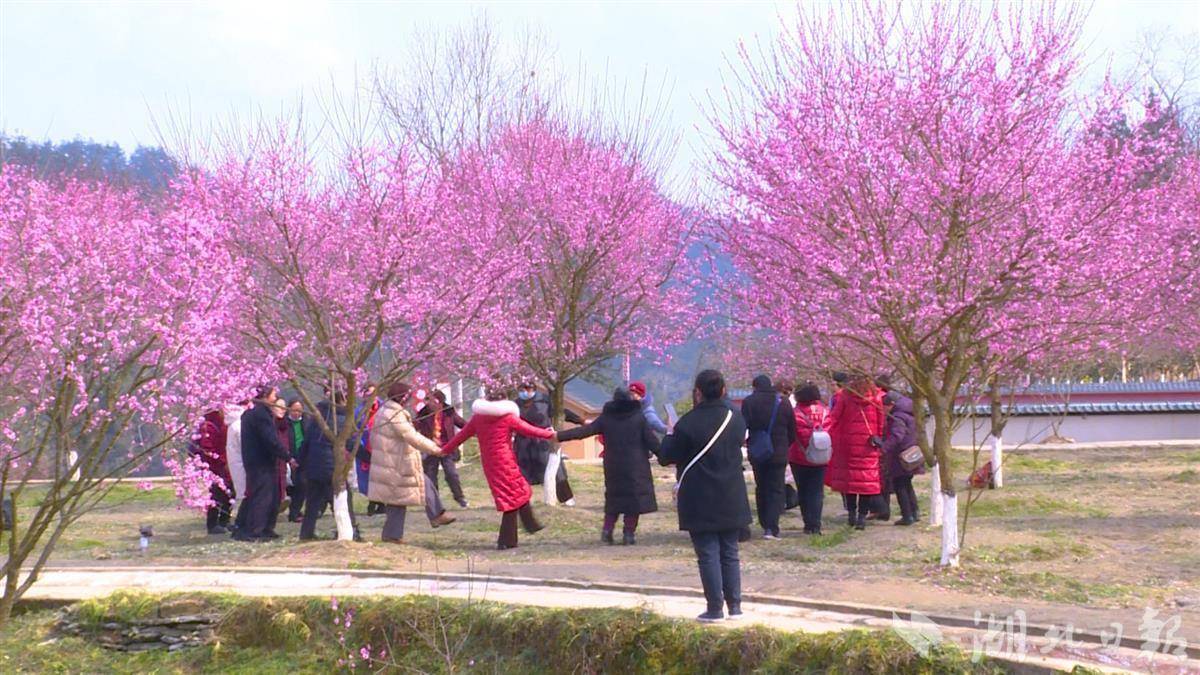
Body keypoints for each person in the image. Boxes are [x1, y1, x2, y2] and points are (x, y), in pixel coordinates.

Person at [659, 370, 751, 623]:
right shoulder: (736, 417)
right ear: (723, 390)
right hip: (731, 491)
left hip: (699, 494)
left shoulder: (687, 423)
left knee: (708, 553)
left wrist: (669, 432)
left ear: (698, 392)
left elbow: (666, 456)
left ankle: (714, 608)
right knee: (730, 551)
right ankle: (735, 607)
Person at [442, 388, 555, 550]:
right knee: (511, 498)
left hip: (489, 462)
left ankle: (531, 524)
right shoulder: (507, 418)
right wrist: (549, 434)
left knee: (519, 490)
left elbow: (461, 436)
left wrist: (445, 449)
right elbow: (529, 430)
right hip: (504, 459)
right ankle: (507, 541)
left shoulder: (478, 418)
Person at [556, 387, 661, 545]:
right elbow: (652, 441)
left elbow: (585, 431)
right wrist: (667, 455)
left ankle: (607, 530)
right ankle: (628, 534)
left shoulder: (607, 417)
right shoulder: (638, 418)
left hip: (613, 465)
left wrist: (559, 436)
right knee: (634, 501)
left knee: (614, 499)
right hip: (636, 466)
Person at [369, 382, 457, 544]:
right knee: (418, 487)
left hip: (393, 461)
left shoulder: (386, 411)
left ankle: (393, 535)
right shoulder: (394, 415)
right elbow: (412, 437)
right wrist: (436, 449)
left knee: (400, 497)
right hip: (396, 462)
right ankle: (436, 516)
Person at [296, 392, 362, 541]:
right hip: (332, 467)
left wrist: (300, 462)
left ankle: (306, 533)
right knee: (343, 500)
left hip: (314, 467)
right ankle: (350, 532)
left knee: (312, 503)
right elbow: (351, 444)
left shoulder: (317, 418)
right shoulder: (343, 420)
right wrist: (368, 457)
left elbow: (306, 443)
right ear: (341, 401)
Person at [825, 373, 885, 530]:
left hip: (847, 445)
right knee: (865, 483)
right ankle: (862, 517)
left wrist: (826, 432)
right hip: (868, 446)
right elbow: (880, 422)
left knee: (849, 483)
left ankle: (851, 514)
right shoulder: (876, 397)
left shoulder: (845, 396)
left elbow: (834, 417)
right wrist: (878, 440)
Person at [740, 374, 797, 540]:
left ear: (754, 386)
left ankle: (764, 521)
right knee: (776, 488)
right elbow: (792, 429)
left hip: (758, 450)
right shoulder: (783, 402)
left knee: (761, 487)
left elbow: (744, 425)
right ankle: (772, 527)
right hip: (778, 452)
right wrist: (785, 445)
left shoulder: (749, 402)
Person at [233, 386, 292, 541]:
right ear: (265, 396)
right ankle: (255, 530)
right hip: (261, 462)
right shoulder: (260, 415)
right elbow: (270, 440)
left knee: (265, 496)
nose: (275, 398)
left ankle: (259, 527)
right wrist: (286, 456)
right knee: (262, 497)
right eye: (273, 395)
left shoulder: (251, 414)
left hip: (255, 461)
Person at [514, 383, 581, 506]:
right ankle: (521, 502)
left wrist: (580, 420)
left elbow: (561, 412)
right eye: (521, 389)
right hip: (523, 443)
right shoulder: (514, 404)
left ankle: (566, 498)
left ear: (534, 389)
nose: (525, 391)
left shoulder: (545, 401)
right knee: (521, 472)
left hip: (543, 441)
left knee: (556, 470)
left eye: (528, 389)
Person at [414, 390, 469, 508]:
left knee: (451, 474)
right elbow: (414, 427)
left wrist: (477, 431)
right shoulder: (423, 414)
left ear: (440, 402)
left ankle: (459, 497)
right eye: (427, 400)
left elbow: (463, 425)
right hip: (430, 448)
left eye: (432, 400)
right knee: (430, 476)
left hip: (447, 448)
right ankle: (434, 502)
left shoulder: (449, 413)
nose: (428, 403)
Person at [788, 383, 831, 535]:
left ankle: (808, 523)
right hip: (821, 457)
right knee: (817, 491)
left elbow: (791, 434)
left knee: (803, 490)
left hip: (799, 457)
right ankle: (816, 524)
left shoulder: (795, 413)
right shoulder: (826, 411)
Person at [882, 390, 923, 526]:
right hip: (911, 453)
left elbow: (896, 436)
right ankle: (914, 512)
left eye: (885, 406)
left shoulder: (897, 417)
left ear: (891, 404)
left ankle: (907, 515)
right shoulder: (910, 413)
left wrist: (884, 448)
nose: (883, 410)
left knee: (900, 485)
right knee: (907, 484)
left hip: (900, 456)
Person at [192, 409, 233, 534]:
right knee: (216, 495)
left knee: (229, 493)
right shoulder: (208, 427)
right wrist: (222, 461)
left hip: (223, 464)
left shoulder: (222, 425)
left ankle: (224, 521)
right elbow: (208, 450)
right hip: (214, 467)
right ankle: (213, 523)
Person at [355, 386, 383, 516]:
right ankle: (373, 501)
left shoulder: (384, 409)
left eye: (373, 393)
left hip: (382, 448)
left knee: (382, 477)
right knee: (368, 478)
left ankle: (381, 503)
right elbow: (354, 430)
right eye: (368, 393)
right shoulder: (358, 412)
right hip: (365, 448)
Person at [224, 400, 249, 533]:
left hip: (236, 463)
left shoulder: (232, 425)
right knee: (244, 494)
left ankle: (240, 523)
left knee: (242, 494)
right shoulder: (239, 425)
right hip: (242, 464)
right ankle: (241, 524)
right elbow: (244, 445)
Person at [285, 400, 307, 522]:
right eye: (294, 410)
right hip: (289, 457)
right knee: (292, 487)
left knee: (302, 486)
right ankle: (293, 512)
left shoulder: (306, 421)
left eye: (299, 410)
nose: (297, 413)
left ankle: (295, 512)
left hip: (303, 458)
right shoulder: (285, 423)